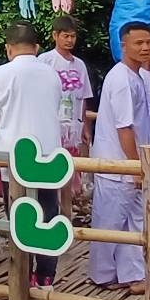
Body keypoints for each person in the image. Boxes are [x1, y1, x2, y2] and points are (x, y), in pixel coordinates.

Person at [0, 22, 67, 288]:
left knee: (20, 217)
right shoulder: (51, 74)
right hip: (49, 159)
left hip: (15, 160)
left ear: (8, 49)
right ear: (37, 47)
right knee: (48, 215)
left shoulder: (2, 74)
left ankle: (24, 275)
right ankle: (47, 276)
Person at [89, 22, 150, 294]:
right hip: (117, 163)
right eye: (138, 43)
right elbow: (124, 128)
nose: (145, 47)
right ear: (124, 45)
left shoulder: (138, 76)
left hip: (132, 162)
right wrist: (135, 167)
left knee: (135, 221)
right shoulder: (121, 78)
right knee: (109, 221)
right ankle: (101, 274)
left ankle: (133, 275)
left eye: (148, 42)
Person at [37, 16, 95, 214]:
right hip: (52, 125)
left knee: (71, 173)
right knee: (54, 169)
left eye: (73, 36)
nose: (70, 40)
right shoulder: (45, 61)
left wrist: (86, 128)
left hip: (73, 126)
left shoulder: (80, 65)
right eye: (65, 36)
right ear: (55, 35)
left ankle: (68, 213)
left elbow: (83, 98)